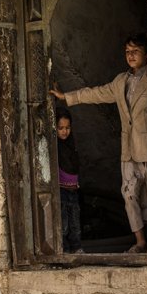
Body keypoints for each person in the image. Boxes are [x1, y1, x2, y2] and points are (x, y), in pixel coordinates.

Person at [50, 33, 147, 253]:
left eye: (135, 51)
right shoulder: (121, 81)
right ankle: (139, 242)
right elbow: (97, 93)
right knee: (128, 195)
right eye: (127, 52)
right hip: (128, 149)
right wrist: (67, 97)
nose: (130, 55)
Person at [56, 108, 82, 254]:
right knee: (63, 223)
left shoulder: (72, 145)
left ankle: (77, 248)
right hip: (61, 190)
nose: (64, 131)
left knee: (75, 223)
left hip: (73, 190)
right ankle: (65, 250)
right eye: (60, 128)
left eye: (67, 128)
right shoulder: (55, 147)